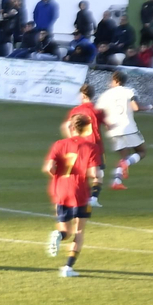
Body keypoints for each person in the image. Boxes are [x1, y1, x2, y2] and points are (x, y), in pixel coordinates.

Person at [44, 114, 103, 277]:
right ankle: (67, 268)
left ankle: (59, 235)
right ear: (87, 128)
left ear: (72, 127)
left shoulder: (59, 144)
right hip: (80, 193)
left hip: (61, 191)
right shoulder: (91, 147)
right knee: (79, 231)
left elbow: (50, 168)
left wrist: (58, 175)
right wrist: (96, 191)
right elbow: (95, 173)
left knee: (66, 231)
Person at [96, 70, 149, 191]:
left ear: (115, 80)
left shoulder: (105, 95)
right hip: (129, 128)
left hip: (113, 130)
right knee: (141, 152)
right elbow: (135, 107)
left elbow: (98, 112)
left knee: (124, 157)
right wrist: (149, 106)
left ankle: (116, 182)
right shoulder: (129, 91)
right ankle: (126, 164)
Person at [65, 83, 107, 207]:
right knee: (98, 174)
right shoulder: (98, 110)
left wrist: (72, 139)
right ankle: (93, 199)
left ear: (83, 95)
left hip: (80, 145)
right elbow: (108, 125)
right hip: (95, 145)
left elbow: (68, 126)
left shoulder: (75, 110)